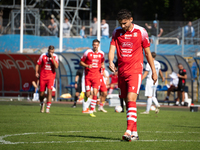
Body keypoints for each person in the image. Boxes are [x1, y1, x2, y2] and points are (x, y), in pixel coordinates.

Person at [108, 9, 157, 141]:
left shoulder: (141, 32)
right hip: (121, 72)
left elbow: (147, 52)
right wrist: (111, 61)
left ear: (131, 19)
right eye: (120, 23)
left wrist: (154, 70)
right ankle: (134, 133)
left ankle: (128, 131)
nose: (123, 26)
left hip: (135, 70)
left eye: (125, 23)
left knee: (131, 98)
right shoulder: (116, 32)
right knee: (126, 101)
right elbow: (112, 48)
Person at [80, 39, 105, 117]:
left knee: (95, 93)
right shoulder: (87, 52)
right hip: (88, 76)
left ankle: (91, 111)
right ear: (92, 45)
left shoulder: (102, 53)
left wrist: (102, 68)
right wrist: (87, 66)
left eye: (97, 45)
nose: (95, 46)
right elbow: (81, 62)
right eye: (94, 44)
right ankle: (85, 103)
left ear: (99, 45)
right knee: (87, 94)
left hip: (96, 76)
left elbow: (102, 62)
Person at [35, 45, 59, 113]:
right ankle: (42, 103)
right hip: (43, 76)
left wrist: (52, 58)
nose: (51, 53)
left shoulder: (55, 56)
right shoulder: (43, 56)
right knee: (41, 93)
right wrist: (36, 72)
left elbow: (56, 66)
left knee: (49, 91)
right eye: (50, 52)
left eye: (53, 52)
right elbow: (37, 64)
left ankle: (48, 108)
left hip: (51, 76)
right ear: (48, 51)